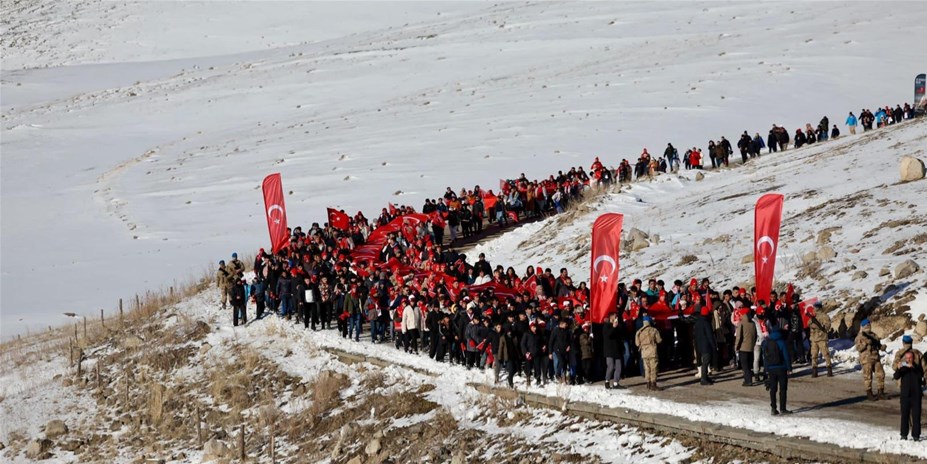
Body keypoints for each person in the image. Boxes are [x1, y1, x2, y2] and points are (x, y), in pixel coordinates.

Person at [893, 350, 924, 441]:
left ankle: (916, 435)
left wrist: (913, 368)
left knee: (916, 416)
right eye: (907, 358)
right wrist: (898, 369)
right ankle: (903, 434)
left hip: (916, 395)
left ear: (913, 358)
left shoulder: (918, 367)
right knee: (904, 416)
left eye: (910, 358)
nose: (908, 360)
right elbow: (896, 376)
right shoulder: (903, 367)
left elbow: (920, 377)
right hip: (905, 395)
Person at [762, 326, 792, 415]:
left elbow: (765, 357)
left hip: (771, 369)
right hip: (781, 368)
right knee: (783, 389)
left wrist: (766, 369)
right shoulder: (782, 342)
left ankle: (773, 409)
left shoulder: (767, 343)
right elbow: (786, 356)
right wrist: (789, 368)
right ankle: (783, 408)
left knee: (773, 389)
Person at [855, 319, 886, 401]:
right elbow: (858, 348)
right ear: (863, 326)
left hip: (876, 357)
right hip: (866, 359)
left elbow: (877, 344)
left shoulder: (873, 335)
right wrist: (865, 343)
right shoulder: (860, 336)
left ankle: (881, 392)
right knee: (868, 377)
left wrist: (881, 347)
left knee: (881, 375)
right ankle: (869, 394)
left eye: (869, 324)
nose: (868, 326)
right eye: (866, 325)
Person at [635, 316, 662, 390]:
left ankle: (648, 383)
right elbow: (659, 340)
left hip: (644, 352)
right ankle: (653, 384)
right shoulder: (654, 330)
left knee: (646, 368)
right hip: (652, 351)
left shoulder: (639, 332)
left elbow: (637, 344)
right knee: (653, 368)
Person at [807, 302, 832, 377]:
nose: (814, 308)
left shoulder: (825, 316)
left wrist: (818, 326)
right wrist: (812, 323)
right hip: (814, 338)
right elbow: (808, 324)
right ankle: (814, 370)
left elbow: (827, 326)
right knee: (814, 355)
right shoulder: (813, 316)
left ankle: (829, 369)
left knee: (826, 354)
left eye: (815, 307)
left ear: (818, 307)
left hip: (822, 338)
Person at [694, 306, 716, 385]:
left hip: (699, 344)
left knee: (705, 361)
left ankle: (705, 377)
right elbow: (710, 335)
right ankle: (703, 378)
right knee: (706, 361)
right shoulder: (706, 322)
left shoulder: (697, 321)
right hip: (706, 345)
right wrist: (714, 345)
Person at [735, 311, 758, 386]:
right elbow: (755, 335)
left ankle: (748, 380)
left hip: (743, 347)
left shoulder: (741, 323)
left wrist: (736, 346)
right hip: (751, 346)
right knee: (748, 364)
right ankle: (748, 379)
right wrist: (753, 344)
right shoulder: (752, 323)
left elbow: (739, 337)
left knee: (745, 366)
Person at [603, 313, 625, 389]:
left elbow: (621, 336)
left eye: (617, 316)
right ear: (611, 318)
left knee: (619, 367)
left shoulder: (618, 325)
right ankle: (607, 380)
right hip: (609, 350)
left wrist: (618, 326)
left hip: (617, 349)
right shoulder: (606, 326)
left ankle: (616, 383)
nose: (616, 318)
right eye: (615, 317)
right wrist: (613, 327)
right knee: (611, 366)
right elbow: (608, 335)